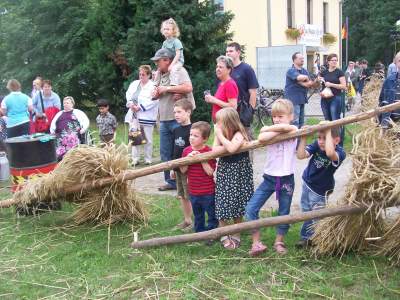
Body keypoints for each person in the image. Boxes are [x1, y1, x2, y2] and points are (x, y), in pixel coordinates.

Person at [245, 99, 298, 256]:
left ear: (291, 116)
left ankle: (279, 241)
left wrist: (271, 129)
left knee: (284, 211)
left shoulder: (294, 129)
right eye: (274, 116)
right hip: (269, 178)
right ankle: (256, 242)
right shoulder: (267, 130)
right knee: (251, 209)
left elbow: (288, 128)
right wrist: (274, 129)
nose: (276, 119)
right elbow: (262, 139)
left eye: (280, 116)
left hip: (287, 179)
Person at [151, 48, 195, 191]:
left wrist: (167, 89)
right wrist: (156, 92)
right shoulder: (159, 74)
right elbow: (158, 92)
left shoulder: (178, 71)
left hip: (178, 119)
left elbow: (188, 87)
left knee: (181, 149)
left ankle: (186, 181)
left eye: (159, 61)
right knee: (165, 152)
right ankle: (170, 182)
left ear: (167, 60)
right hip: (164, 118)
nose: (157, 63)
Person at [296, 124, 346, 247]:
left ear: (336, 140)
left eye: (325, 138)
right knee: (307, 212)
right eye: (319, 138)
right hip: (307, 184)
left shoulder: (340, 153)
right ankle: (306, 238)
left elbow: (330, 153)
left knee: (318, 216)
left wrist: (329, 129)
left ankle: (320, 240)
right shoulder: (317, 145)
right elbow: (300, 155)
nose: (321, 141)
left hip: (320, 190)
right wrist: (303, 137)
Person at [213, 107, 253, 250]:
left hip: (240, 172)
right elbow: (215, 151)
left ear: (229, 122)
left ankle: (236, 233)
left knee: (238, 201)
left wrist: (222, 139)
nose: (217, 125)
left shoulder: (240, 133)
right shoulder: (221, 134)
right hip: (225, 171)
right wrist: (226, 142)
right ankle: (224, 232)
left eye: (219, 122)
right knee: (222, 200)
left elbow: (230, 149)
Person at [181, 121, 217, 235]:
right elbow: (183, 170)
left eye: (196, 136)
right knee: (198, 214)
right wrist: (188, 159)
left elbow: (210, 172)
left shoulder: (209, 151)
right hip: (194, 191)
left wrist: (201, 159)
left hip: (208, 191)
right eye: (191, 135)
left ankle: (212, 233)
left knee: (211, 214)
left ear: (205, 139)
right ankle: (200, 233)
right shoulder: (186, 151)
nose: (191, 138)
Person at [125, 65, 158, 165]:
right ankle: (136, 159)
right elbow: (128, 95)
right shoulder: (134, 84)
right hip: (134, 116)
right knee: (135, 137)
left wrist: (141, 107)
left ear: (149, 75)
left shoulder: (153, 86)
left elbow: (155, 100)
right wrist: (131, 104)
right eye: (140, 74)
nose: (141, 76)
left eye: (143, 74)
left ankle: (148, 159)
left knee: (148, 139)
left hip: (147, 116)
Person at [170, 100, 194, 230]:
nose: (176, 115)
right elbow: (175, 151)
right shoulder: (176, 130)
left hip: (189, 170)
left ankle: (197, 220)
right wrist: (173, 168)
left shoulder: (193, 130)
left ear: (188, 112)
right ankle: (187, 220)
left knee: (190, 195)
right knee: (182, 195)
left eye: (179, 112)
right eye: (175, 112)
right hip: (178, 169)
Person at [225, 42, 259, 134]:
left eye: (231, 51)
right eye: (227, 51)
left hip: (242, 112)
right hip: (228, 112)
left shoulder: (246, 69)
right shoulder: (225, 70)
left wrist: (250, 111)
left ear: (238, 53)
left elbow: (253, 92)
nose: (228, 53)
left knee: (246, 141)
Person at [284, 52, 316, 128]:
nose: (302, 60)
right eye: (300, 58)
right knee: (294, 122)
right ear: (294, 60)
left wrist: (314, 81)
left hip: (302, 99)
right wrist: (305, 78)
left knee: (301, 122)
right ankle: (293, 139)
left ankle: (300, 140)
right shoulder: (290, 70)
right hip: (293, 100)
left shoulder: (304, 70)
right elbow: (299, 78)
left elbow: (308, 84)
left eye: (303, 58)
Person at [204, 56, 238, 123]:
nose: (217, 69)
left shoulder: (230, 84)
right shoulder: (222, 83)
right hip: (219, 122)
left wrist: (214, 100)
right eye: (217, 67)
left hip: (226, 123)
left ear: (229, 70)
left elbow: (233, 106)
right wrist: (211, 99)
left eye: (221, 67)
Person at [319, 53, 346, 122]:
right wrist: (318, 80)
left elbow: (344, 86)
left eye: (336, 60)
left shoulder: (339, 72)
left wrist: (331, 84)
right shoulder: (324, 72)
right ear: (328, 62)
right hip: (324, 98)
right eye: (333, 60)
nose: (334, 62)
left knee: (335, 120)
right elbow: (319, 84)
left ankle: (337, 133)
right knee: (327, 120)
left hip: (335, 98)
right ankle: (329, 133)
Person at [159, 18, 184, 83]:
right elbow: (161, 54)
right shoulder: (164, 43)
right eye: (164, 29)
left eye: (168, 29)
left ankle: (174, 85)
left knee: (173, 69)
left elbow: (178, 55)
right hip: (169, 61)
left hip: (178, 61)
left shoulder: (176, 41)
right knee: (159, 70)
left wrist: (171, 65)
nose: (166, 31)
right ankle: (155, 84)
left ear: (173, 30)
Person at [379, 51, 400, 128]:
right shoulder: (389, 80)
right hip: (390, 123)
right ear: (396, 63)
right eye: (399, 61)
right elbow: (382, 100)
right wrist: (382, 122)